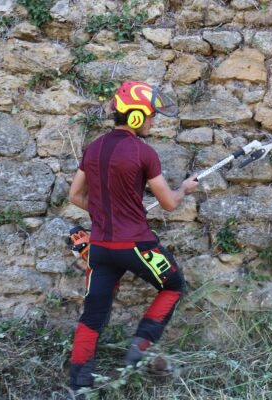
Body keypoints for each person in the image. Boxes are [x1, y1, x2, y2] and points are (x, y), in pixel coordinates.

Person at [67, 81, 199, 394]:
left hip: (99, 248)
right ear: (136, 116)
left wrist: (101, 215)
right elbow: (168, 203)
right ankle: (138, 347)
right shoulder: (144, 152)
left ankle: (78, 385)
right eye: (151, 115)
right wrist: (184, 189)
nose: (153, 121)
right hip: (137, 245)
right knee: (173, 286)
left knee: (94, 313)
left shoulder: (93, 148)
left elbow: (75, 195)